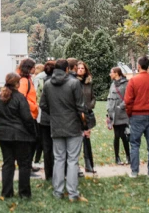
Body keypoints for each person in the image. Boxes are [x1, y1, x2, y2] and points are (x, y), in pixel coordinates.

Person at [39, 58, 86, 202]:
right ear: (67, 69)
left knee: (59, 159)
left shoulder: (47, 84)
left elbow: (43, 104)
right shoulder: (74, 83)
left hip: (56, 124)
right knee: (72, 160)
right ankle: (72, 193)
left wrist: (54, 112)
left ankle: (58, 191)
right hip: (72, 125)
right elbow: (80, 106)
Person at [0, 72, 36, 199]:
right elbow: (27, 118)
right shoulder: (20, 98)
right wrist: (33, 132)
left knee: (8, 163)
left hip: (3, 134)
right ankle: (24, 193)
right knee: (24, 164)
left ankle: (6, 192)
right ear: (17, 84)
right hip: (20, 134)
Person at [124, 56, 149, 179]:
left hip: (136, 115)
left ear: (139, 66)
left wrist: (130, 113)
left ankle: (134, 171)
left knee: (134, 144)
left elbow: (128, 100)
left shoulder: (133, 81)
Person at [16, 58, 39, 177]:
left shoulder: (28, 80)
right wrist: (34, 106)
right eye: (34, 67)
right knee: (30, 142)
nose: (35, 69)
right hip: (28, 115)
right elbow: (21, 97)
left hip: (31, 114)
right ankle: (26, 167)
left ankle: (28, 165)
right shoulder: (24, 81)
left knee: (33, 141)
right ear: (29, 68)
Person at [106, 66, 130, 165]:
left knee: (124, 136)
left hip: (123, 114)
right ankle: (117, 158)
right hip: (113, 114)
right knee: (116, 136)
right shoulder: (112, 84)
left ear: (116, 73)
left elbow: (128, 97)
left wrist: (121, 106)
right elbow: (109, 98)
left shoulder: (126, 84)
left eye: (111, 72)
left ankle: (129, 157)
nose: (110, 74)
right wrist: (108, 112)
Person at [36, 60, 55, 181]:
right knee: (55, 147)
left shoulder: (42, 81)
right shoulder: (52, 83)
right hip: (54, 117)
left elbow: (41, 102)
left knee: (46, 147)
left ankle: (49, 173)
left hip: (44, 118)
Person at [77, 61, 96, 175]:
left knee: (87, 141)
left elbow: (93, 97)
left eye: (82, 68)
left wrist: (90, 105)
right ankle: (77, 167)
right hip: (78, 114)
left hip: (87, 113)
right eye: (78, 68)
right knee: (77, 141)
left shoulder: (89, 83)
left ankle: (89, 165)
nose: (80, 70)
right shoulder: (74, 82)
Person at [32, 63, 45, 168]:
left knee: (38, 138)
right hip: (40, 111)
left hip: (37, 111)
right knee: (41, 138)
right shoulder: (39, 79)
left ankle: (36, 159)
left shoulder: (35, 79)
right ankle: (37, 159)